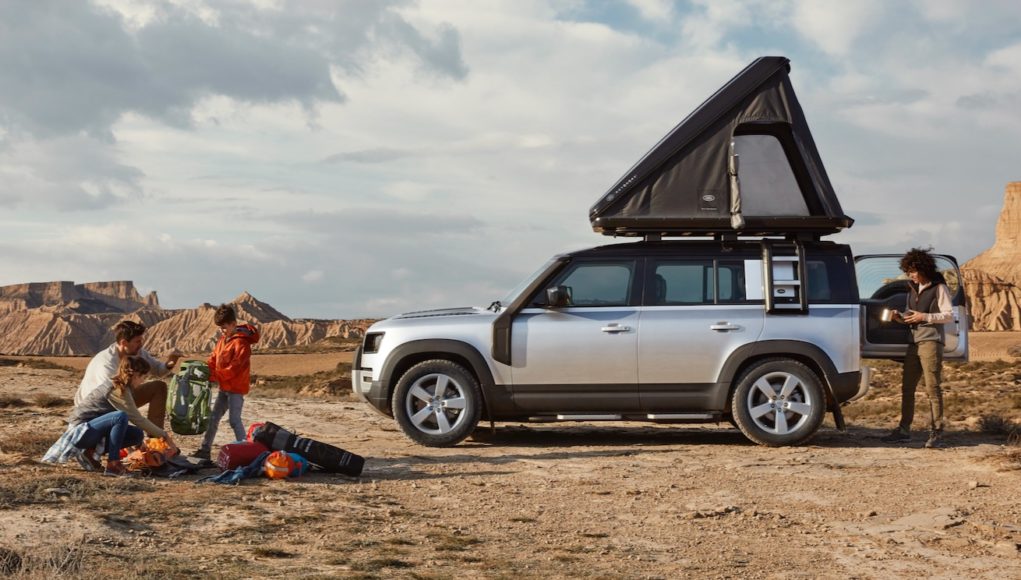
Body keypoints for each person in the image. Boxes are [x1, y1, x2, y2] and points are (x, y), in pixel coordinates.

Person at [44, 356, 175, 476]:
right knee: (120, 416)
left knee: (137, 435)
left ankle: (90, 452)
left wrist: (141, 443)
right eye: (143, 377)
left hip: (93, 432)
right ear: (135, 375)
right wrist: (164, 435)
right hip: (81, 431)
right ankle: (113, 464)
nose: (142, 382)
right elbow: (136, 418)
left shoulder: (124, 388)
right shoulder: (116, 389)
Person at [881, 247, 954, 448]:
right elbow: (911, 316)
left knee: (933, 387)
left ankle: (937, 431)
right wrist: (900, 317)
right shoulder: (911, 289)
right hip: (914, 341)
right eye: (908, 271)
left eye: (912, 271)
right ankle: (904, 430)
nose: (910, 275)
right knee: (907, 388)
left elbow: (949, 315)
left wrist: (926, 317)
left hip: (931, 341)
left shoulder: (939, 288)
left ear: (923, 269)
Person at [74, 320, 183, 431]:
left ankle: (155, 439)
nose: (141, 345)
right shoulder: (107, 363)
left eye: (141, 340)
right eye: (137, 341)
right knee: (128, 428)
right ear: (124, 343)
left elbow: (158, 371)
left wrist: (172, 362)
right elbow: (113, 395)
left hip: (121, 394)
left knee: (158, 387)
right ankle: (154, 434)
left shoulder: (137, 352)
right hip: (97, 408)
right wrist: (136, 418)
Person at [193, 304, 260, 460]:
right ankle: (205, 450)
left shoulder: (242, 344)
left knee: (234, 420)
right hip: (224, 388)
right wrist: (206, 371)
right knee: (213, 418)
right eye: (220, 328)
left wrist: (215, 376)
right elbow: (213, 358)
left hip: (236, 389)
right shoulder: (223, 341)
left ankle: (246, 452)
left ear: (233, 324)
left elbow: (234, 368)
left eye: (224, 327)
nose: (221, 331)